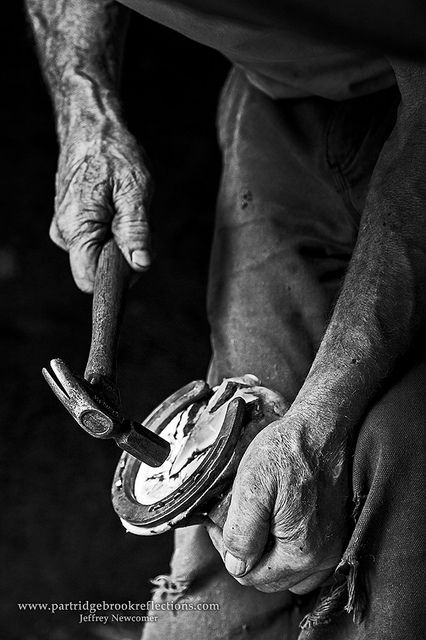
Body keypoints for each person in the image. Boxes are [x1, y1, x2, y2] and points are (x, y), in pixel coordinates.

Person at [25, 1, 426, 638]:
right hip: (277, 99)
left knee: (391, 569)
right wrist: (86, 111)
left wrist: (319, 425)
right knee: (203, 616)